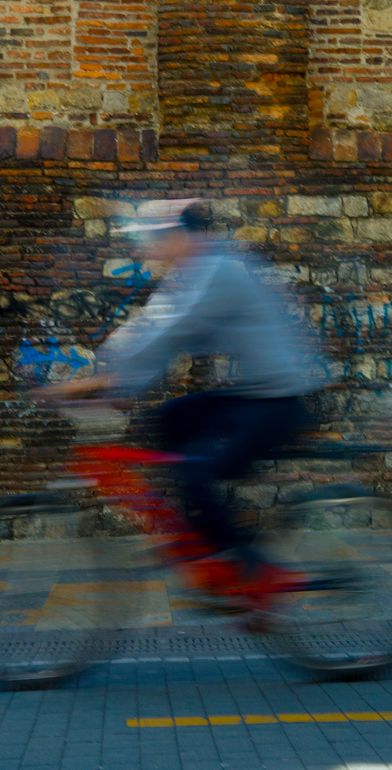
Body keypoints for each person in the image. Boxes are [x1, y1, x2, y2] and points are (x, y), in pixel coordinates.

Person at [35, 198, 321, 596]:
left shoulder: (222, 271)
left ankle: (248, 568)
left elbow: (175, 332)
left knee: (195, 471)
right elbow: (151, 325)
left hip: (277, 402)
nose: (149, 248)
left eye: (156, 238)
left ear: (180, 234)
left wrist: (107, 383)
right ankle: (205, 534)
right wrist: (108, 376)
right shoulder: (190, 274)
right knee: (169, 419)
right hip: (250, 395)